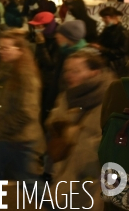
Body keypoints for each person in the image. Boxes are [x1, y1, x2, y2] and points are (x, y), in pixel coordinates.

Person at [0, 30, 45, 206]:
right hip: (2, 137)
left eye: (5, 47)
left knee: (29, 182)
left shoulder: (26, 75)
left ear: (19, 50)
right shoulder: (6, 67)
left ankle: (59, 207)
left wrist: (0, 127)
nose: (0, 51)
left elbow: (28, 112)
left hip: (19, 139)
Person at [46, 51, 113, 210]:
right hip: (65, 171)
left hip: (90, 180)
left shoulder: (110, 100)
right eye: (67, 70)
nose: (68, 75)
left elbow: (110, 146)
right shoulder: (68, 95)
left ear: (94, 72)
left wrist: (77, 137)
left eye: (75, 71)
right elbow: (53, 121)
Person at [93, 7, 129, 77]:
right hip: (107, 61)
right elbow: (101, 40)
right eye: (103, 17)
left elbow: (122, 52)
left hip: (117, 65)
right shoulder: (108, 29)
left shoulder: (123, 33)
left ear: (114, 17)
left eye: (106, 17)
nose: (104, 20)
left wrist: (102, 49)